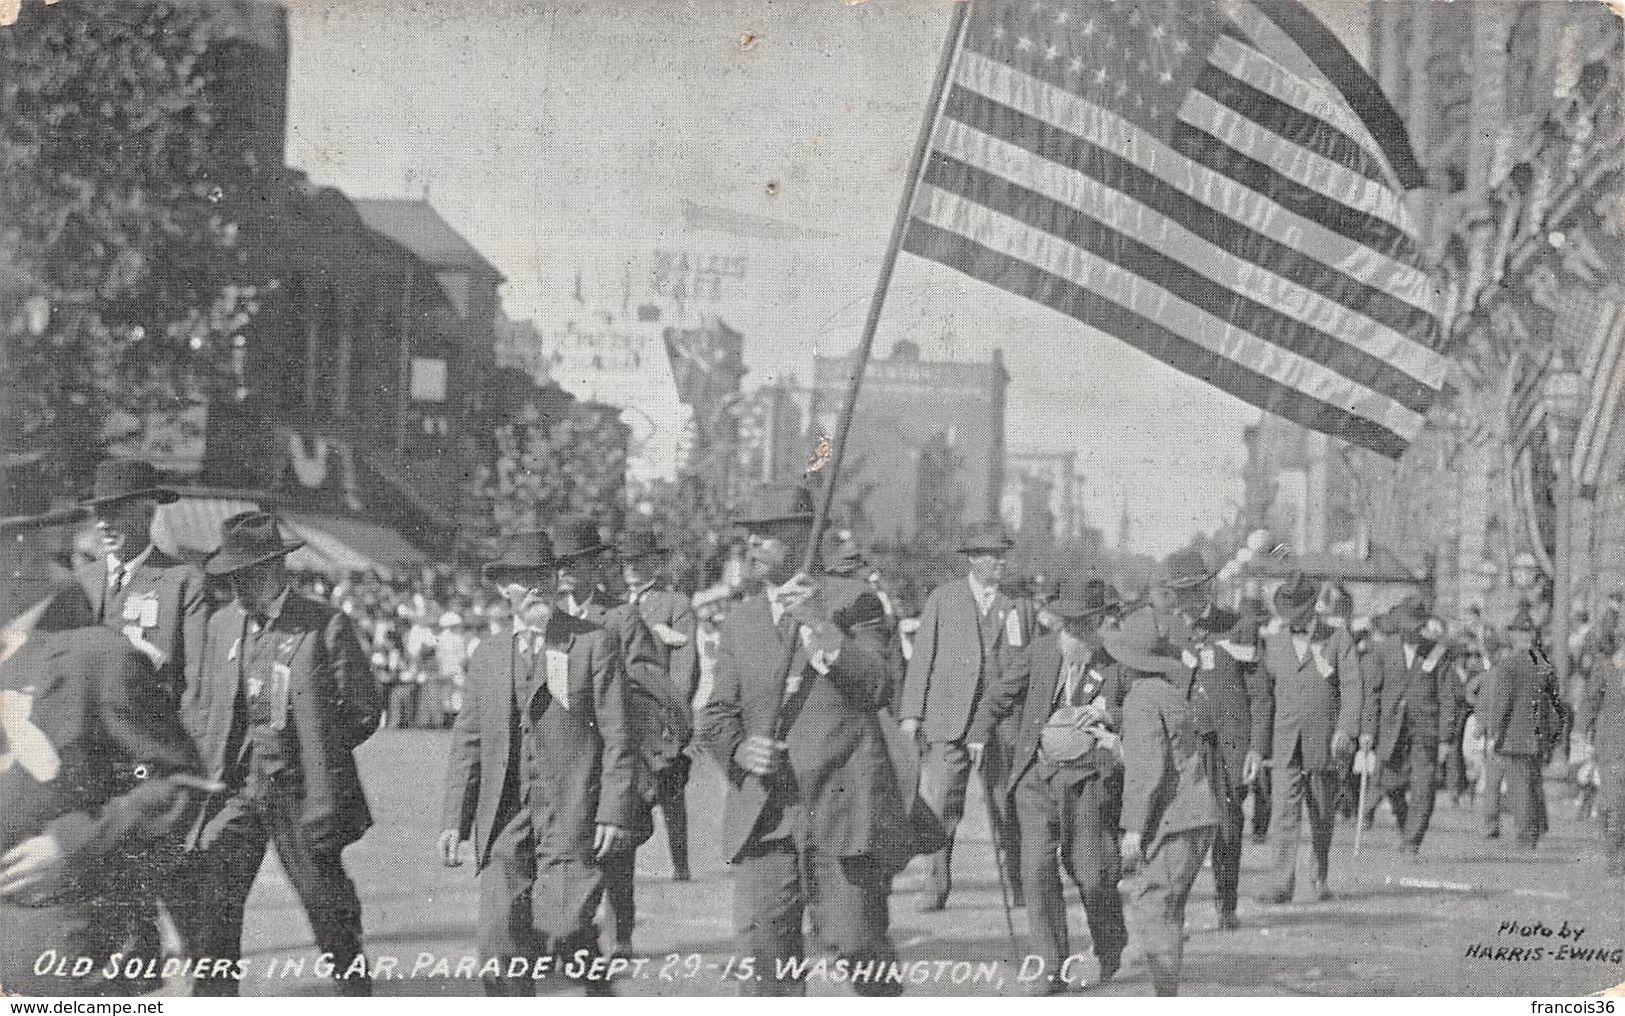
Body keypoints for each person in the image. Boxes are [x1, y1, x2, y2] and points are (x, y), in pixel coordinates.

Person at [695, 483, 913, 996]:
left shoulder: (853, 603)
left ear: (802, 536)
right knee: (765, 958)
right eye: (748, 536)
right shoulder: (742, 620)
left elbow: (879, 685)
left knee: (858, 948)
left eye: (766, 535)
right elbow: (717, 715)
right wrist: (739, 750)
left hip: (841, 809)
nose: (752, 545)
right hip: (768, 814)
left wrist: (819, 625)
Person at [0, 476, 212, 996]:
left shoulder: (111, 637)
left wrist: (72, 846)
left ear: (18, 551)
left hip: (65, 943)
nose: (107, 525)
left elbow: (182, 758)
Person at [180, 512, 381, 996]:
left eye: (243, 576)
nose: (235, 588)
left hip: (300, 794)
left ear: (273, 570)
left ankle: (357, 994)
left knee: (328, 910)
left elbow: (363, 710)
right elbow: (204, 703)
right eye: (229, 579)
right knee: (214, 912)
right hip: (237, 793)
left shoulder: (322, 625)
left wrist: (316, 752)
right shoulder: (222, 625)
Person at [439, 530, 635, 995]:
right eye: (525, 581)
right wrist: (454, 821)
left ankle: (598, 992)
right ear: (504, 589)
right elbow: (468, 742)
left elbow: (619, 737)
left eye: (545, 576)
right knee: (498, 944)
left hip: (571, 813)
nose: (538, 588)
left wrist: (613, 808)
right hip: (505, 820)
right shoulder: (487, 656)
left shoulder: (592, 643)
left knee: (564, 930)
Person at [968, 576, 1127, 994]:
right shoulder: (1039, 653)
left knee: (1091, 871)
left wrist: (1108, 716)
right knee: (1036, 869)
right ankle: (1050, 965)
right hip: (1036, 778)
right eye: (1068, 624)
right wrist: (979, 734)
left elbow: (1134, 711)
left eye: (1084, 624)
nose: (1074, 633)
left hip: (1087, 779)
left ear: (1097, 622)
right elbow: (999, 695)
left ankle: (1110, 944)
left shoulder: (1113, 664)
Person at [551, 514, 672, 958]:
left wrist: (641, 758)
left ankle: (619, 937)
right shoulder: (549, 621)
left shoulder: (621, 619)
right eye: (559, 564)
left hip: (613, 753)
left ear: (596, 567)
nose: (566, 572)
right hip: (564, 754)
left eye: (575, 563)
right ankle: (570, 938)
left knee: (615, 853)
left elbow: (651, 686)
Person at [898, 519, 1029, 911]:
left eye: (1004, 555)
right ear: (973, 560)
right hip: (948, 718)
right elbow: (922, 659)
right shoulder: (944, 599)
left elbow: (1026, 663)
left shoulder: (1018, 606)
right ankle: (936, 884)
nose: (1001, 563)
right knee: (942, 804)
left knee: (1007, 801)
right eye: (993, 556)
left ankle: (1018, 882)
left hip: (1000, 722)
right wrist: (911, 716)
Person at [1155, 547, 1267, 930]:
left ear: (1207, 589)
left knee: (1228, 823)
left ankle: (1226, 902)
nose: (1187, 600)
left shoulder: (1236, 626)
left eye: (1193, 591)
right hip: (1186, 739)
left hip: (1231, 741)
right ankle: (1175, 908)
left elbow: (1258, 691)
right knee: (1181, 824)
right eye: (1180, 592)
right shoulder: (1169, 631)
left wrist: (1257, 748)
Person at [1108, 609, 1218, 997]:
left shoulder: (1140, 699)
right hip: (1197, 814)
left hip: (1176, 820)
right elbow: (1168, 753)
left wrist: (1133, 829)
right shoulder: (1167, 693)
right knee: (1169, 908)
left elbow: (1148, 772)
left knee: (1154, 906)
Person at [1256, 573, 1360, 903]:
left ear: (1311, 608)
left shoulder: (1338, 638)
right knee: (1283, 812)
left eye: (1296, 612)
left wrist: (1346, 729)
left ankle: (1319, 875)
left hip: (1325, 740)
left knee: (1322, 813)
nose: (1290, 620)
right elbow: (1265, 695)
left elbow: (1352, 687)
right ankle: (1280, 883)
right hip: (1285, 742)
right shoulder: (1273, 643)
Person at [74, 459, 209, 710]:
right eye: (99, 513)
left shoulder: (183, 581)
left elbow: (196, 682)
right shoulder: (83, 579)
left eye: (115, 512)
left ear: (148, 513)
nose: (103, 524)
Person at [620, 526, 699, 883]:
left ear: (656, 563)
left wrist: (675, 717)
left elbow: (684, 670)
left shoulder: (675, 605)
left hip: (659, 715)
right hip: (621, 711)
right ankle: (622, 864)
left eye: (639, 561)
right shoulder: (620, 606)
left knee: (670, 790)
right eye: (626, 563)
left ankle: (679, 862)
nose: (631, 569)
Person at [1356, 595, 1459, 856]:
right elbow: (1372, 694)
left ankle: (1412, 842)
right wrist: (1367, 730)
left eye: (1416, 627)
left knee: (1424, 788)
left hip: (1425, 731)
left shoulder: (1438, 653)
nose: (1412, 633)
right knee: (1389, 782)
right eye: (1407, 627)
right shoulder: (1382, 651)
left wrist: (1446, 738)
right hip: (1391, 729)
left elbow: (1448, 698)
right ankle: (1405, 825)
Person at [1483, 604, 1560, 850]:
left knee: (1520, 788)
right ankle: (1537, 826)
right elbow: (1556, 705)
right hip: (1539, 735)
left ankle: (1526, 834)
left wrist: (1494, 732)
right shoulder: (1545, 664)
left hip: (1514, 737)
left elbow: (1502, 704)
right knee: (1534, 783)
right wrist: (1552, 736)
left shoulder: (1509, 665)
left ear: (1517, 635)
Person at [1577, 598, 1625, 875]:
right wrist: (1581, 733)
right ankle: (1614, 852)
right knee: (1614, 800)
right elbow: (1590, 701)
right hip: (1613, 743)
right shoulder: (1607, 667)